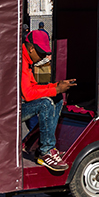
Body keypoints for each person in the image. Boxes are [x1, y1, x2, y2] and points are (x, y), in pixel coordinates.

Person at [21, 29, 75, 171]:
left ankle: (40, 142)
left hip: (21, 104)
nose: (43, 56)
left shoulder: (27, 61)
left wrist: (56, 86)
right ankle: (46, 150)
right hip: (13, 109)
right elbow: (28, 94)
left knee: (56, 98)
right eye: (41, 52)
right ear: (31, 48)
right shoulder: (21, 61)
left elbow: (34, 86)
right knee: (45, 104)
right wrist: (55, 89)